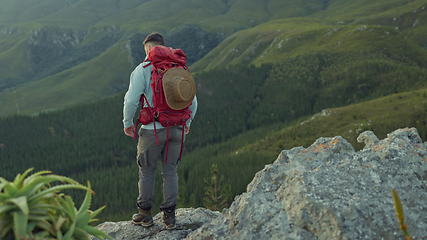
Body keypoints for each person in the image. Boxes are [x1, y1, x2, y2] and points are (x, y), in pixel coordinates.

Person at [122, 32, 198, 229]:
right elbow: (192, 101)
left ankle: (145, 215)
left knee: (147, 171)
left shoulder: (143, 69)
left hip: (152, 130)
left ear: (148, 48)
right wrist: (187, 123)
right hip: (177, 129)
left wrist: (127, 123)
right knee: (170, 170)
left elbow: (130, 100)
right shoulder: (179, 68)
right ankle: (170, 218)